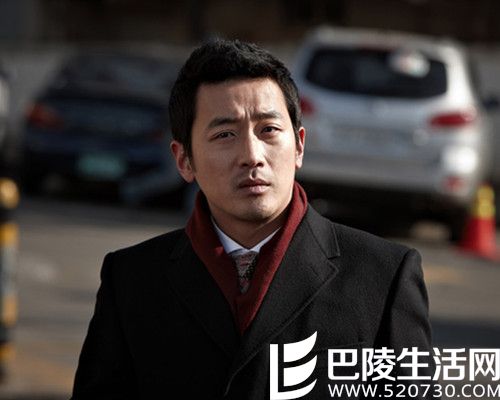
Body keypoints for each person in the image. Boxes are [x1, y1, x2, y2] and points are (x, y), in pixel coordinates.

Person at [71, 39, 435, 399]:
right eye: (225, 134)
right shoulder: (131, 280)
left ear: (299, 145)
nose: (252, 155)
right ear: (184, 160)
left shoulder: (383, 276)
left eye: (269, 130)